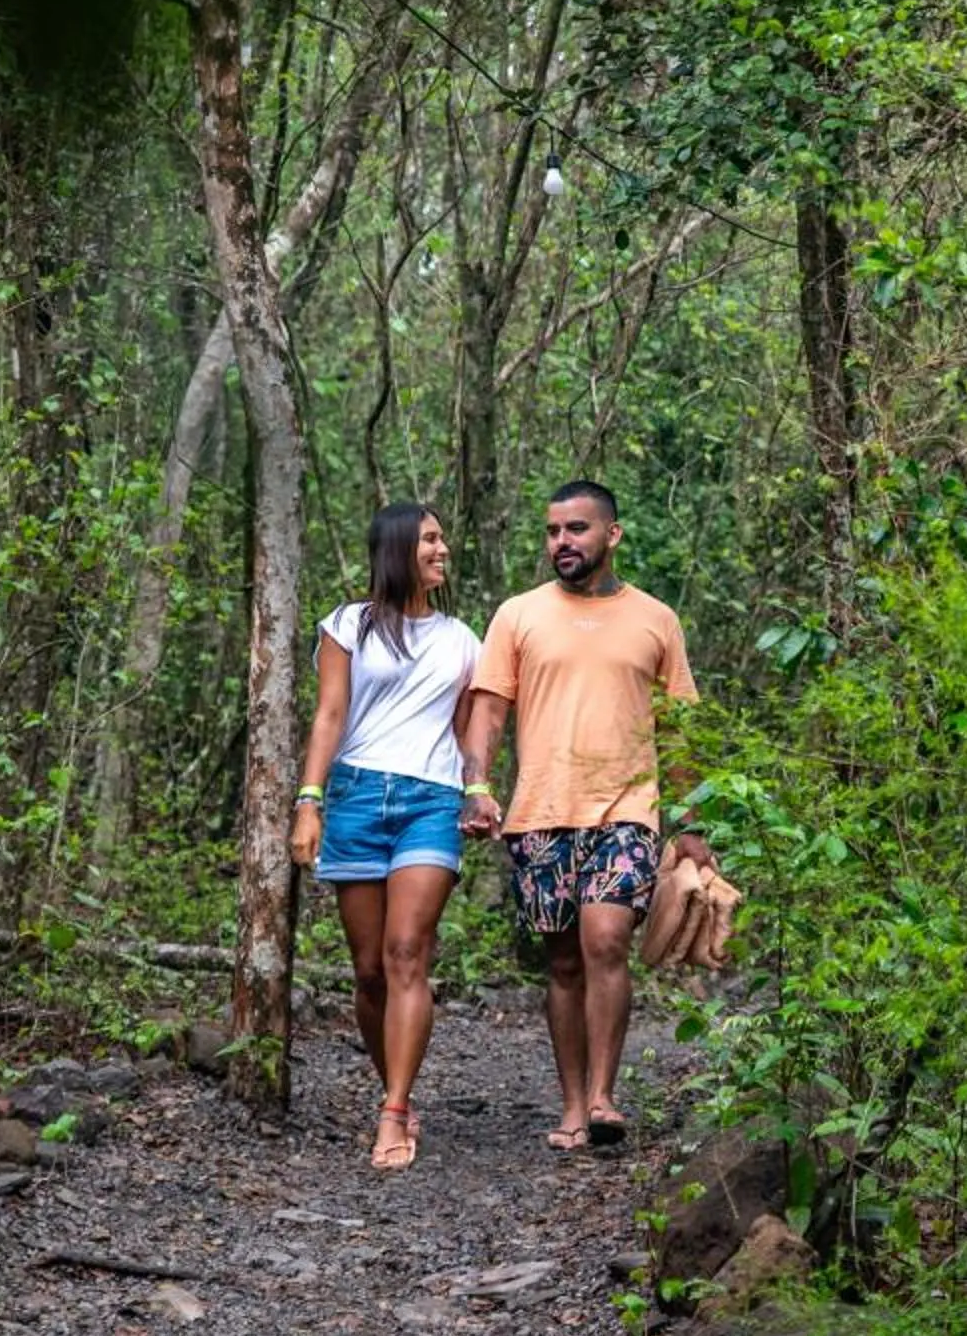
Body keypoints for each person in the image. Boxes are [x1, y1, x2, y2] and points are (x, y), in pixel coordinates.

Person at [460, 480, 714, 1151]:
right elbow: (488, 709)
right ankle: (572, 1106)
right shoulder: (518, 615)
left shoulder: (655, 618)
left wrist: (691, 825)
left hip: (628, 809)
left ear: (612, 535)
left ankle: (604, 1096)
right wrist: (478, 785)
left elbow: (678, 728)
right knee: (564, 963)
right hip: (541, 810)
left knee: (605, 939)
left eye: (576, 529)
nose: (562, 543)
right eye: (552, 532)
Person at [290, 503, 484, 1171]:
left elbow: (468, 733)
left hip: (431, 799)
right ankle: (393, 1088)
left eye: (442, 537)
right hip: (354, 798)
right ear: (400, 547)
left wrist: (480, 789)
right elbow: (330, 714)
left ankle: (394, 1111)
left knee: (407, 952)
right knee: (370, 972)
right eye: (431, 538)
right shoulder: (348, 624)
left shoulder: (463, 639)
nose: (442, 548)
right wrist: (308, 801)